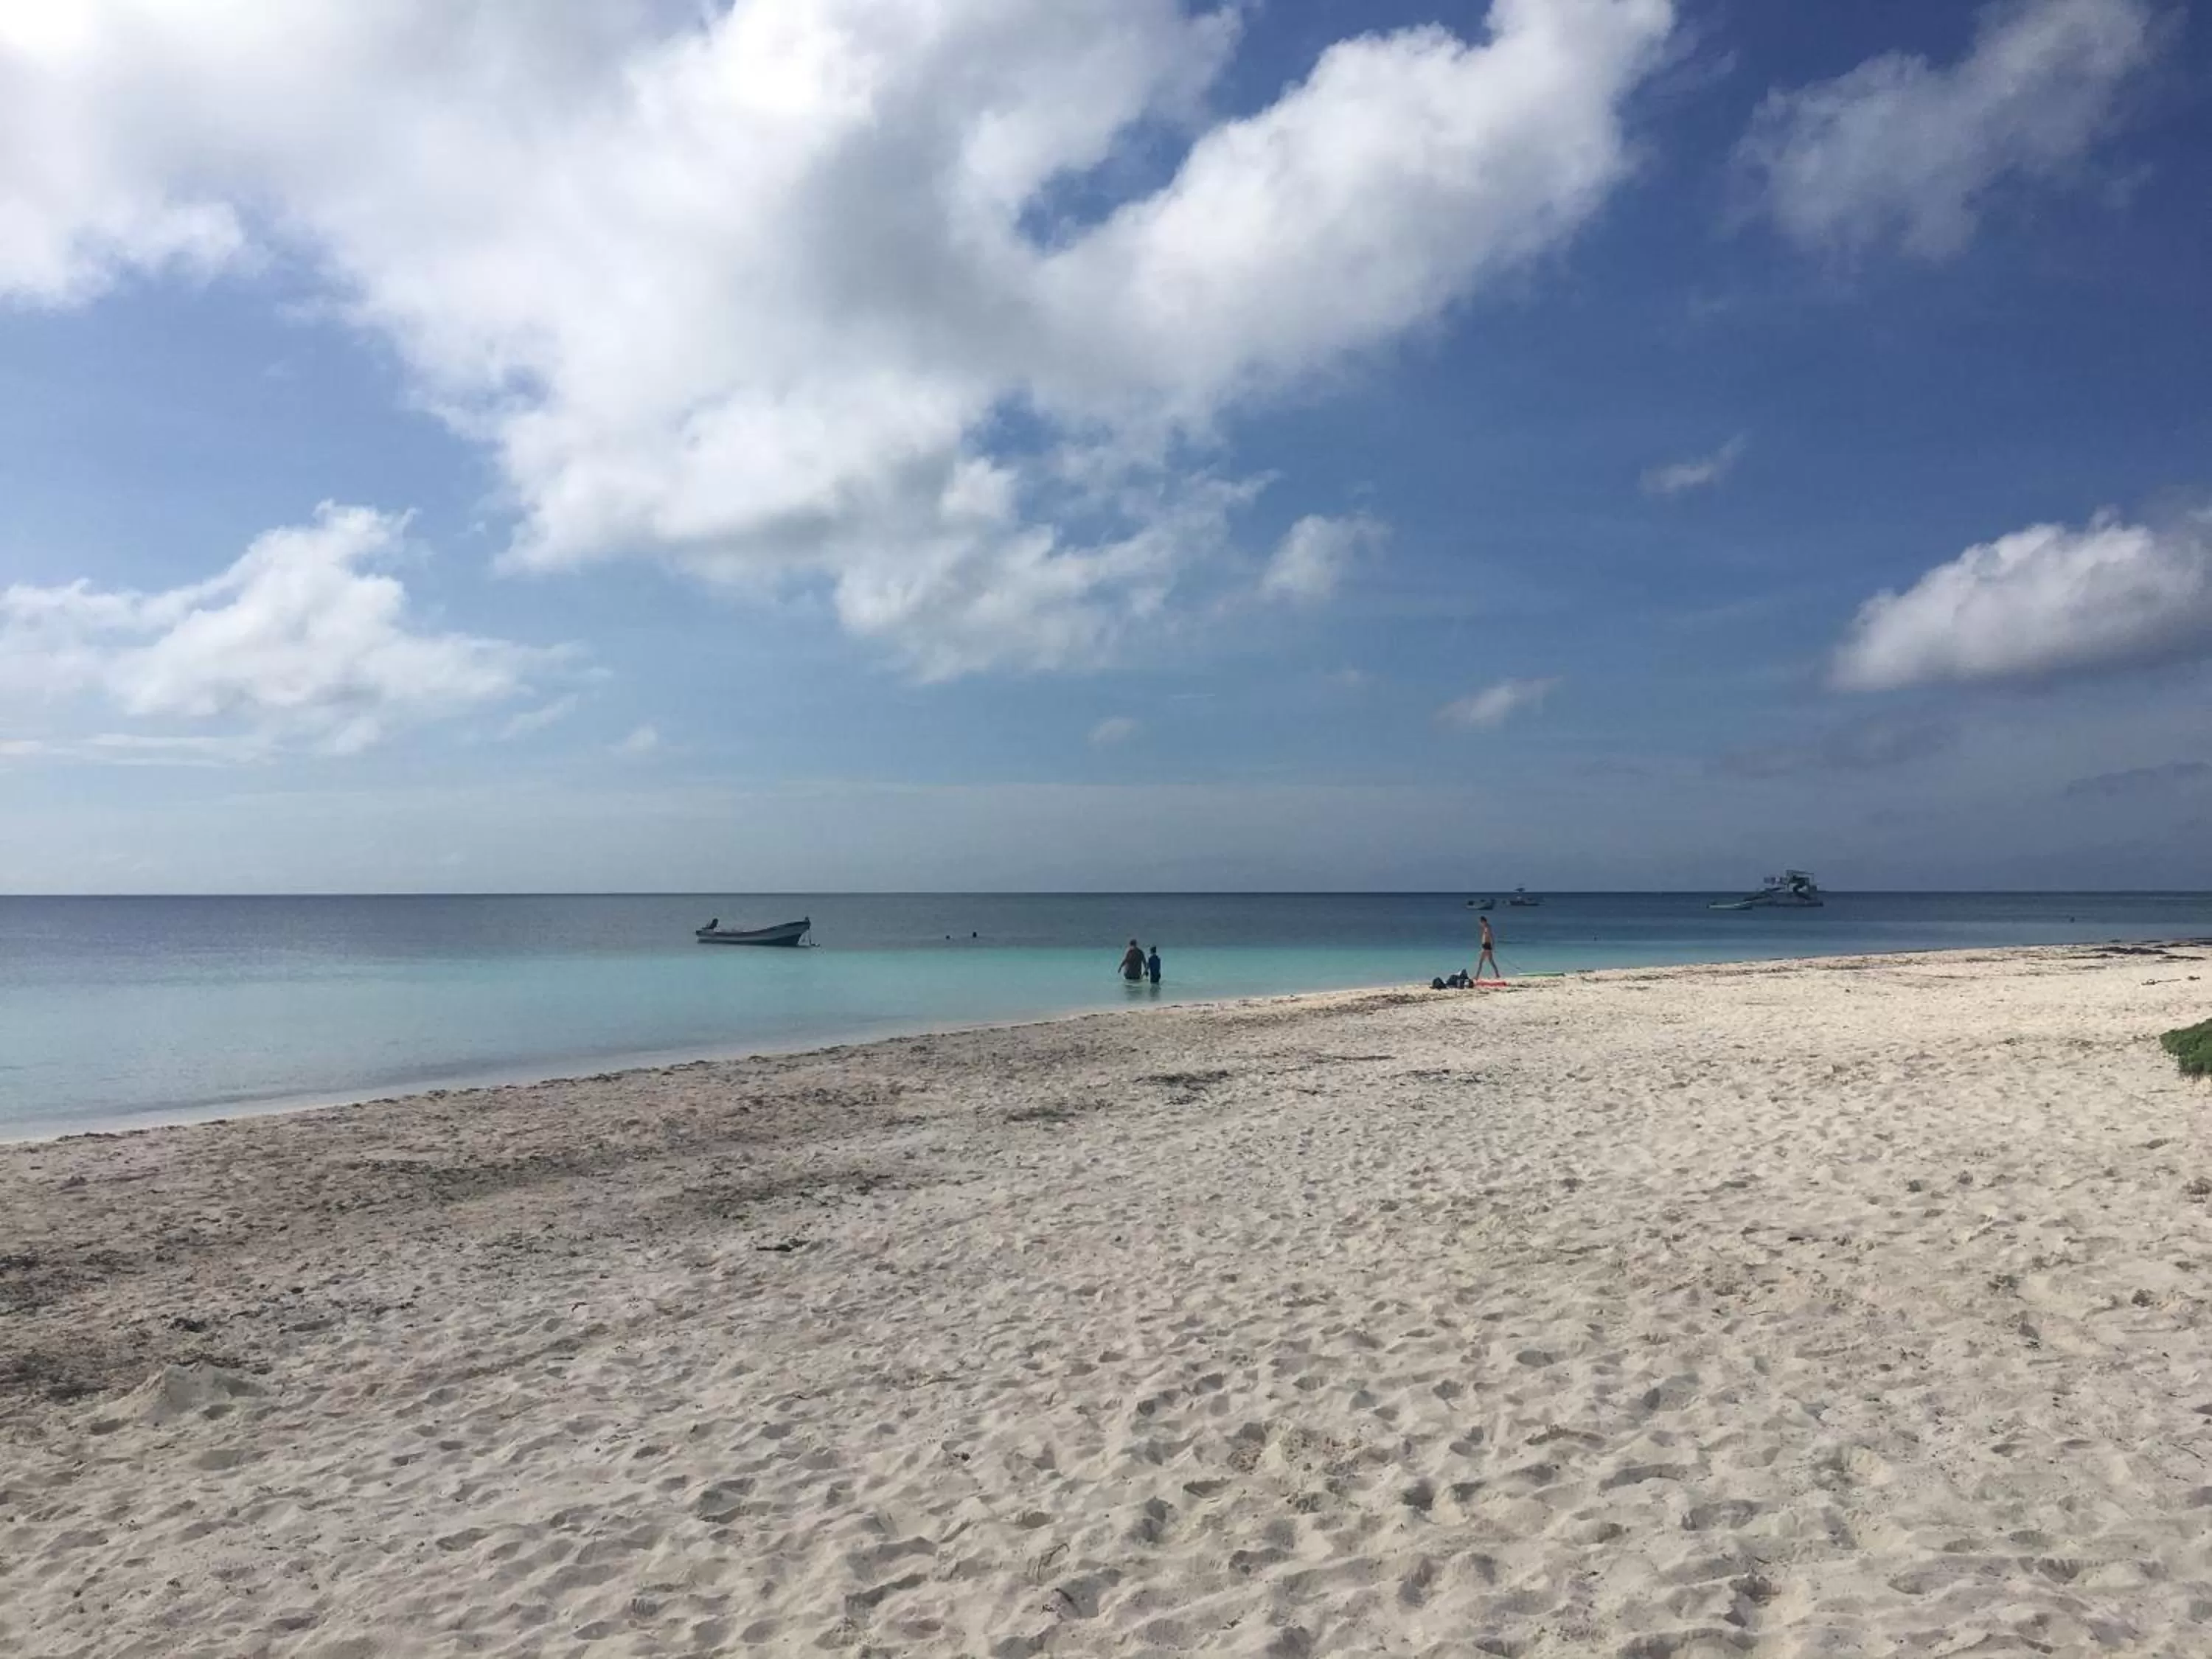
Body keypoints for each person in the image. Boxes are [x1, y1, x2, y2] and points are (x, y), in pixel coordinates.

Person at [1474, 914, 1502, 982]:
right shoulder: (1487, 927)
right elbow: (1491, 937)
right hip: (1486, 946)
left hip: (1486, 946)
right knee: (1491, 962)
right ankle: (1497, 974)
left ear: (1483, 921)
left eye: (1481, 922)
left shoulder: (1487, 928)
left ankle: (1477, 976)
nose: (1480, 924)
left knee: (1480, 962)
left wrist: (1490, 946)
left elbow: (1490, 937)